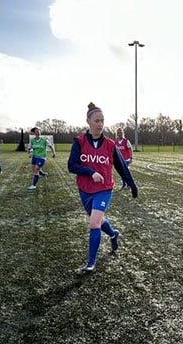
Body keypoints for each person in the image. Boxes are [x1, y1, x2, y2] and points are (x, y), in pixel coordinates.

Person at [68, 102, 138, 273]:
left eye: (102, 121)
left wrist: (133, 186)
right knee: (98, 220)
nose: (100, 124)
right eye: (96, 120)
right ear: (88, 121)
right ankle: (113, 234)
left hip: (104, 189)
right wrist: (90, 172)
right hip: (85, 189)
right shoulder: (79, 142)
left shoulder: (110, 144)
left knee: (93, 223)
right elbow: (72, 165)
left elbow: (122, 167)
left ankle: (91, 262)